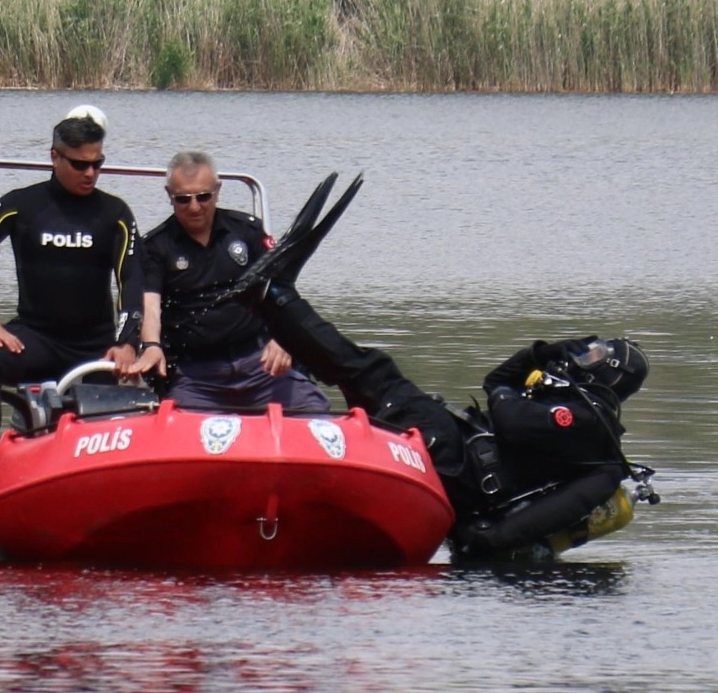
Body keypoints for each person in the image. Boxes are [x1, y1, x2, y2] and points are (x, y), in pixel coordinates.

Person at [214, 175, 653, 557]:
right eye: (587, 349)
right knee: (364, 373)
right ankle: (271, 302)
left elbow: (510, 422)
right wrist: (545, 352)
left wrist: (482, 540)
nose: (583, 357)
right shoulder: (571, 398)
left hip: (453, 464)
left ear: (610, 375)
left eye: (594, 356)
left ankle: (272, 297)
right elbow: (496, 379)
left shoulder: (592, 436)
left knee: (369, 372)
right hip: (450, 442)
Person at [0, 109, 144, 436]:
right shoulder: (20, 205)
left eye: (97, 164)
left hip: (98, 346)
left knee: (151, 371)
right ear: (55, 157)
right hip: (37, 339)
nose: (90, 173)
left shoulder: (116, 213)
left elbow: (132, 279)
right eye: (80, 164)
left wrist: (128, 342)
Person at [126, 150, 329, 412]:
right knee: (178, 430)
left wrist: (283, 338)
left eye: (203, 196)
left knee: (315, 413)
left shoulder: (247, 231)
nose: (195, 207)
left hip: (260, 364)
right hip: (197, 375)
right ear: (169, 195)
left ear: (217, 190)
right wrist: (151, 345)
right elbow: (150, 305)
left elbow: (281, 289)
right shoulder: (156, 246)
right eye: (183, 199)